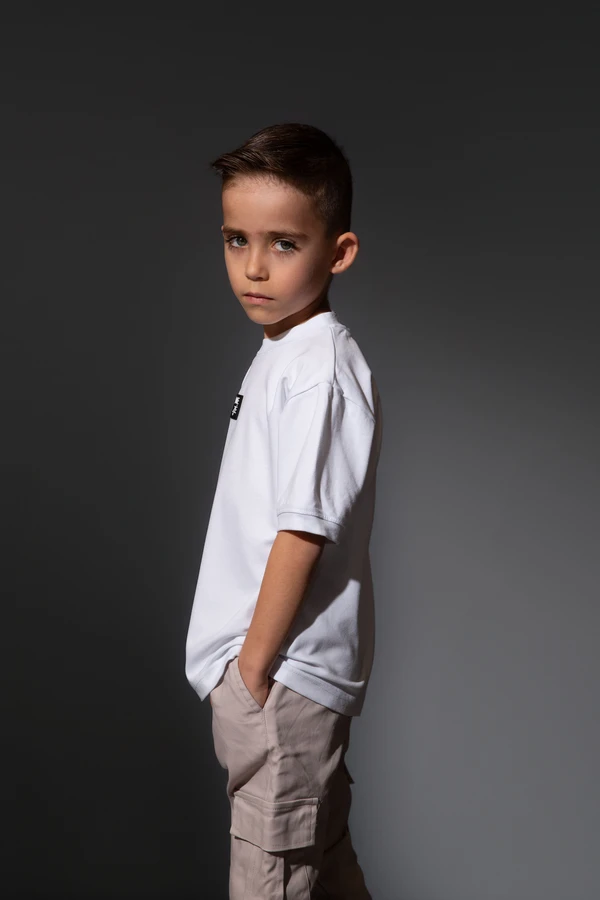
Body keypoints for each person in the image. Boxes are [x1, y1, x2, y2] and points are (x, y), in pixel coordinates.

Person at [185, 122, 382, 899]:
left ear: (339, 252)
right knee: (325, 874)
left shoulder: (318, 366)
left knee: (271, 880)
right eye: (237, 239)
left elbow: (302, 530)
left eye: (285, 244)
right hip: (274, 683)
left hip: (281, 680)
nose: (254, 267)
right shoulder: (284, 350)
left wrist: (252, 672)